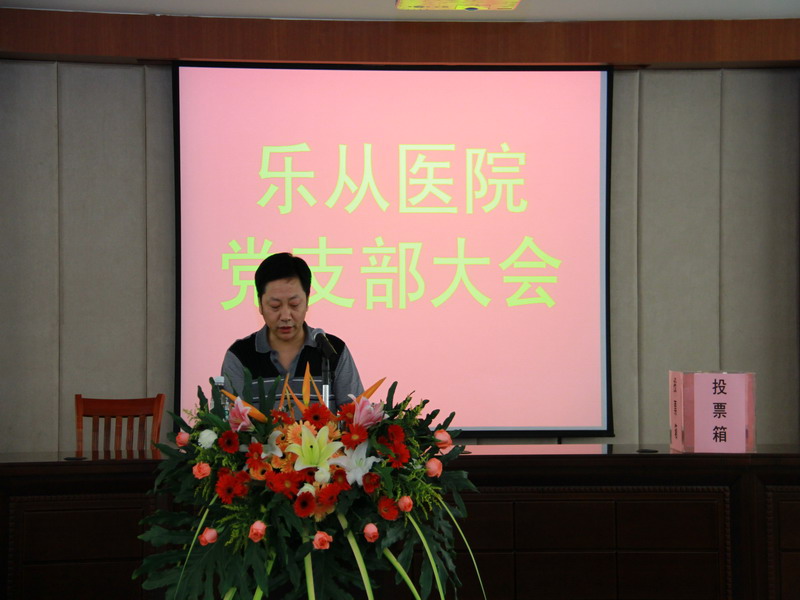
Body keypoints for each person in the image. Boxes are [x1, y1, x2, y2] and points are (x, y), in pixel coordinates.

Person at [221, 252, 363, 412]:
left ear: (307, 301)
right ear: (260, 304)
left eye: (294, 304)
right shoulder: (240, 355)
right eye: (275, 306)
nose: (286, 316)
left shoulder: (332, 349)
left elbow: (357, 416)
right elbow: (231, 420)